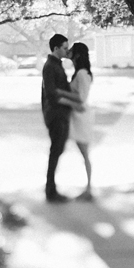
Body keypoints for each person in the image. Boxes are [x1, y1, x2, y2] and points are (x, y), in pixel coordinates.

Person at [57, 42, 97, 200]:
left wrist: (62, 95)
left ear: (78, 55)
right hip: (76, 115)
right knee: (81, 151)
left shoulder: (81, 73)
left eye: (72, 50)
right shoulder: (79, 72)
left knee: (84, 152)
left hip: (81, 116)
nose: (69, 52)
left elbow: (81, 98)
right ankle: (87, 189)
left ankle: (88, 189)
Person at [41, 33, 71, 202]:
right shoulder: (50, 66)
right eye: (65, 48)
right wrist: (73, 102)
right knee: (55, 152)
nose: (67, 51)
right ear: (56, 48)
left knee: (58, 151)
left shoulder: (56, 65)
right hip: (55, 114)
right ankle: (51, 191)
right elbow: (52, 94)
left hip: (61, 114)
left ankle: (51, 189)